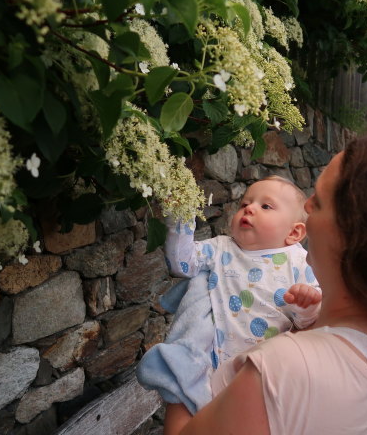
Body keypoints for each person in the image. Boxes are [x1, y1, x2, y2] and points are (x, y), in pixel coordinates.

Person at [165, 132, 367, 435]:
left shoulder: (282, 369)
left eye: (317, 202)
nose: (305, 207)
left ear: (354, 238)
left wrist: (182, 360)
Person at [136, 175, 322, 429]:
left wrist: (307, 304)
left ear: (294, 232)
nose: (250, 208)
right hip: (215, 369)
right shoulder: (221, 248)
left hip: (266, 375)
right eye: (245, 203)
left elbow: (310, 324)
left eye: (265, 206)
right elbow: (183, 264)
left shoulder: (300, 262)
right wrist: (181, 219)